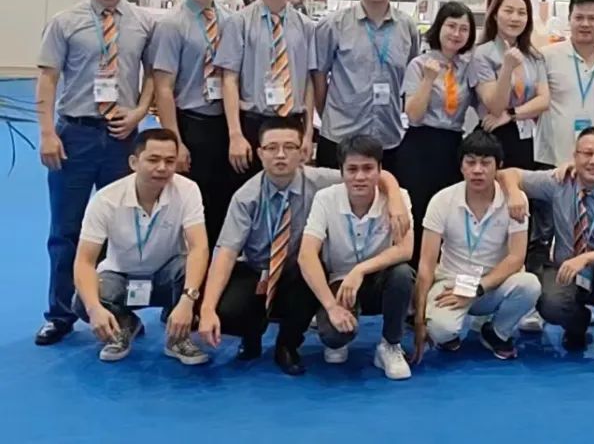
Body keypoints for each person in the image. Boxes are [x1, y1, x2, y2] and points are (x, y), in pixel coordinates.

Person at [198, 117, 407, 375]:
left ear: (303, 152)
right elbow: (226, 253)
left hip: (299, 270)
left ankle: (287, 345)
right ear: (260, 153)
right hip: (259, 269)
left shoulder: (321, 181)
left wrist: (395, 198)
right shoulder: (245, 197)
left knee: (308, 274)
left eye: (289, 147)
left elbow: (370, 173)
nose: (280, 155)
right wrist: (207, 308)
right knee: (227, 308)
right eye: (272, 148)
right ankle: (250, 335)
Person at [35, 0, 156, 346]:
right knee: (66, 229)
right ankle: (60, 314)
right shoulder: (65, 22)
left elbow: (155, 76)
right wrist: (47, 133)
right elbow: (48, 78)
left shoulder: (142, 22)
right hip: (75, 136)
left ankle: (117, 312)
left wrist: (139, 112)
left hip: (122, 139)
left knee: (121, 232)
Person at [498, 127, 594, 367]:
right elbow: (508, 173)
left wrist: (586, 258)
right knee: (550, 304)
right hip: (565, 269)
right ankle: (578, 325)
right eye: (587, 153)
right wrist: (514, 192)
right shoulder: (559, 182)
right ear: (575, 157)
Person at [73, 128, 209, 364]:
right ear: (134, 162)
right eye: (153, 160)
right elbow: (84, 261)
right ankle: (125, 324)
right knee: (83, 301)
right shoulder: (105, 199)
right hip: (120, 278)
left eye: (169, 161)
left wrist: (188, 300)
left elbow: (199, 247)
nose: (162, 168)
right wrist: (94, 309)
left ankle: (178, 338)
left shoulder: (188, 190)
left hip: (167, 276)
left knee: (195, 271)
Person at [412, 130, 541, 363]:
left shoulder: (515, 201)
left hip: (493, 284)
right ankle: (449, 334)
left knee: (530, 285)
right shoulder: (441, 200)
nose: (477, 170)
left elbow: (516, 257)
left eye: (485, 163)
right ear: (461, 166)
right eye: (470, 162)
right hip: (451, 283)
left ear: (498, 166)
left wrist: (477, 288)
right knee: (440, 330)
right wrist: (419, 319)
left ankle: (496, 332)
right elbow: (426, 263)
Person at [298, 134, 415, 379]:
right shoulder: (325, 198)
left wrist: (360, 270)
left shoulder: (399, 198)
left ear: (380, 170)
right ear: (341, 171)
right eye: (352, 169)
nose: (360, 177)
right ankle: (339, 335)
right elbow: (306, 255)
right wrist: (331, 307)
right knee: (333, 337)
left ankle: (390, 345)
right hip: (340, 283)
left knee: (403, 274)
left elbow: (406, 250)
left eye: (368, 168)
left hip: (379, 280)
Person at [153, 0, 238, 246]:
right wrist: (175, 141)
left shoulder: (232, 21)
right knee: (192, 208)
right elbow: (163, 88)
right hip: (191, 123)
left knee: (224, 203)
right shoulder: (171, 25)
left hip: (226, 124)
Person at [534, 0, 594, 284]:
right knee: (544, 235)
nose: (585, 24)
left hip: (593, 165)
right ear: (568, 18)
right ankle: (544, 295)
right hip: (551, 158)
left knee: (586, 232)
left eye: (592, 18)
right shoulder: (547, 56)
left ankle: (580, 291)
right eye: (579, 17)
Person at [314, 0, 421, 175]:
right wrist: (328, 115)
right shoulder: (334, 24)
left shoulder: (407, 27)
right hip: (341, 136)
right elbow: (319, 75)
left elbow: (411, 76)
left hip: (388, 137)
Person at [216, 0, 317, 182]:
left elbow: (309, 81)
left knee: (291, 191)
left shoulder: (306, 26)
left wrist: (308, 133)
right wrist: (235, 135)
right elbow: (229, 80)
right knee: (248, 191)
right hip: (254, 123)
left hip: (293, 122)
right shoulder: (239, 23)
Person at [395, 1, 476, 266]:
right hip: (420, 145)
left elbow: (483, 103)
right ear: (439, 27)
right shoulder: (420, 64)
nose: (456, 33)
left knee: (447, 213)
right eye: (451, 26)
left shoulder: (468, 67)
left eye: (464, 29)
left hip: (452, 146)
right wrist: (429, 80)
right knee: (419, 210)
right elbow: (413, 114)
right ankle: (412, 271)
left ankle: (439, 271)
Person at [470, 0, 550, 171]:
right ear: (495, 15)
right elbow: (495, 106)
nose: (515, 18)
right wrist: (507, 68)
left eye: (522, 13)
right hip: (494, 136)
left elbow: (544, 100)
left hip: (527, 135)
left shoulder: (534, 56)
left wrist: (511, 114)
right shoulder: (483, 54)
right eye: (508, 11)